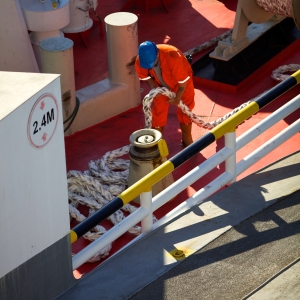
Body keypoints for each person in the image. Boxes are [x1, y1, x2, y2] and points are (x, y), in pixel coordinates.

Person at [135, 41, 195, 147]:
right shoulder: (141, 60)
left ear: (157, 54)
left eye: (152, 63)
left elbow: (183, 82)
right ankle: (156, 145)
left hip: (181, 83)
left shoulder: (172, 56)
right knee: (158, 112)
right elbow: (145, 76)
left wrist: (177, 98)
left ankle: (187, 140)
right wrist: (154, 89)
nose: (150, 66)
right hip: (159, 85)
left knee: (185, 111)